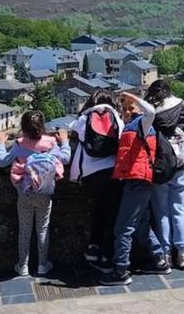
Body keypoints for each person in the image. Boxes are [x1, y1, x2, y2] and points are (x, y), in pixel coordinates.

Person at [99, 91, 169, 286]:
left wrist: (134, 97)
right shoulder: (130, 126)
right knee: (141, 225)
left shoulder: (142, 123)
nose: (128, 111)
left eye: (131, 108)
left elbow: (151, 112)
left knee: (122, 228)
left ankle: (121, 270)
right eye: (124, 108)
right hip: (137, 180)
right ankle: (159, 260)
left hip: (138, 181)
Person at [0, 111, 72, 276]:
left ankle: (23, 265)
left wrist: (1, 143)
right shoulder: (51, 143)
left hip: (25, 192)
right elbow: (65, 159)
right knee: (43, 228)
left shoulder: (20, 144)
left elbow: (2, 162)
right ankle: (43, 265)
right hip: (45, 192)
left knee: (25, 229)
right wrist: (65, 141)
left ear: (23, 126)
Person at [68, 91, 124, 272]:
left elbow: (73, 128)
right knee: (112, 214)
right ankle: (107, 255)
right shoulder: (115, 116)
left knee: (98, 209)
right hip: (112, 170)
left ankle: (93, 247)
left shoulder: (85, 118)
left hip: (91, 173)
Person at [146, 79, 184, 269]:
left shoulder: (150, 110)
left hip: (161, 166)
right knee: (180, 209)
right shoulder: (179, 105)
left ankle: (165, 253)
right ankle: (183, 253)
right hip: (181, 164)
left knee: (161, 210)